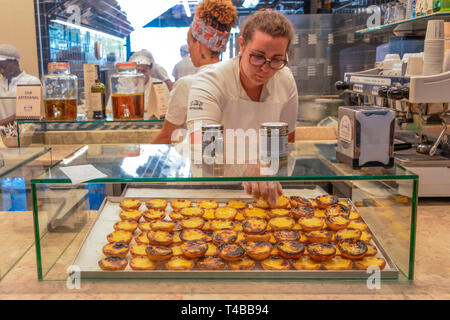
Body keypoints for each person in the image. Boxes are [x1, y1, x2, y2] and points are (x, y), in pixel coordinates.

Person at [186, 9, 299, 206]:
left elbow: (287, 142)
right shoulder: (211, 80)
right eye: (257, 56)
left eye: (276, 60)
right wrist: (248, 166)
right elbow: (201, 144)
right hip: (216, 192)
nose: (265, 68)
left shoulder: (285, 80)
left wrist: (270, 171)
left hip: (265, 192)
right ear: (241, 44)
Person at [152, 0, 238, 144]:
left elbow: (167, 136)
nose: (189, 50)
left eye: (189, 43)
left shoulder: (187, 85)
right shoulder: (236, 80)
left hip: (202, 162)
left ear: (198, 44)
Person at [107, 49, 170, 118]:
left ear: (150, 69)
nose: (140, 74)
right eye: (137, 71)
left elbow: (167, 111)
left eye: (144, 71)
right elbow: (109, 110)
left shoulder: (159, 85)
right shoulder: (122, 84)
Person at [0, 44, 41, 126]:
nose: (2, 71)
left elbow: (26, 114)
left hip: (24, 136)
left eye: (3, 66)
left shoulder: (31, 82)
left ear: (15, 62)